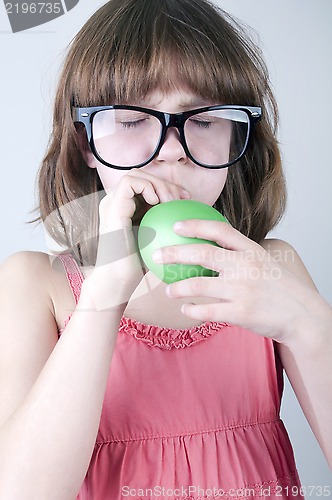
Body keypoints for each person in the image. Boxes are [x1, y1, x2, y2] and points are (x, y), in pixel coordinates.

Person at [0, 0, 331, 498]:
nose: (174, 148)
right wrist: (105, 292)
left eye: (204, 119)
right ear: (87, 143)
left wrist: (308, 325)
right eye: (133, 120)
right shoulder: (35, 285)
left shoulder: (268, 269)